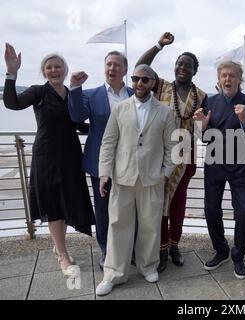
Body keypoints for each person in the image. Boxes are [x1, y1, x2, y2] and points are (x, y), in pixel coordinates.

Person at [3, 43, 94, 276]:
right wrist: (11, 72)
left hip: (71, 156)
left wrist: (103, 126)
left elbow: (77, 123)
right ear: (44, 71)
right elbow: (12, 104)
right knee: (54, 204)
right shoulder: (38, 92)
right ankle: (63, 255)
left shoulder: (73, 94)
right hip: (47, 156)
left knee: (66, 202)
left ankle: (58, 245)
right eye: (49, 67)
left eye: (58, 66)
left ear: (65, 69)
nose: (54, 70)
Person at [95, 65, 176, 296]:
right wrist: (104, 173)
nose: (139, 83)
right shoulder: (120, 109)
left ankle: (147, 266)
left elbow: (173, 147)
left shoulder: (165, 112)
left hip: (152, 179)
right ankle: (113, 273)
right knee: (118, 225)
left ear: (153, 83)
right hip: (123, 177)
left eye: (145, 79)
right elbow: (108, 142)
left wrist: (165, 173)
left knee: (150, 226)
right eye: (136, 78)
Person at [136, 32, 207, 272]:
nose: (182, 68)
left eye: (187, 65)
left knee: (177, 203)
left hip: (185, 159)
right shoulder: (162, 86)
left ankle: (174, 245)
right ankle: (161, 247)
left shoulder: (203, 96)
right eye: (179, 64)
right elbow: (140, 67)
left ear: (195, 70)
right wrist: (159, 45)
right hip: (160, 156)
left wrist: (202, 124)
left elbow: (202, 132)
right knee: (159, 203)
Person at [68, 51, 132, 270]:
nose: (111, 68)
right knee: (104, 209)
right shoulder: (91, 94)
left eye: (116, 65)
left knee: (127, 208)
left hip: (130, 164)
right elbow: (77, 116)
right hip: (100, 163)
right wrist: (74, 88)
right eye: (108, 64)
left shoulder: (134, 94)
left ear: (125, 70)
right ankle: (106, 249)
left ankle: (128, 248)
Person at [193, 61, 245, 280]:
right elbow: (203, 136)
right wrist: (201, 125)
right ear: (219, 80)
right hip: (214, 164)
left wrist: (244, 120)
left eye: (232, 75)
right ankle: (221, 250)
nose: (227, 79)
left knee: (244, 212)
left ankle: (238, 256)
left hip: (240, 166)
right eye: (224, 76)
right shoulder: (209, 101)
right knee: (211, 210)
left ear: (240, 79)